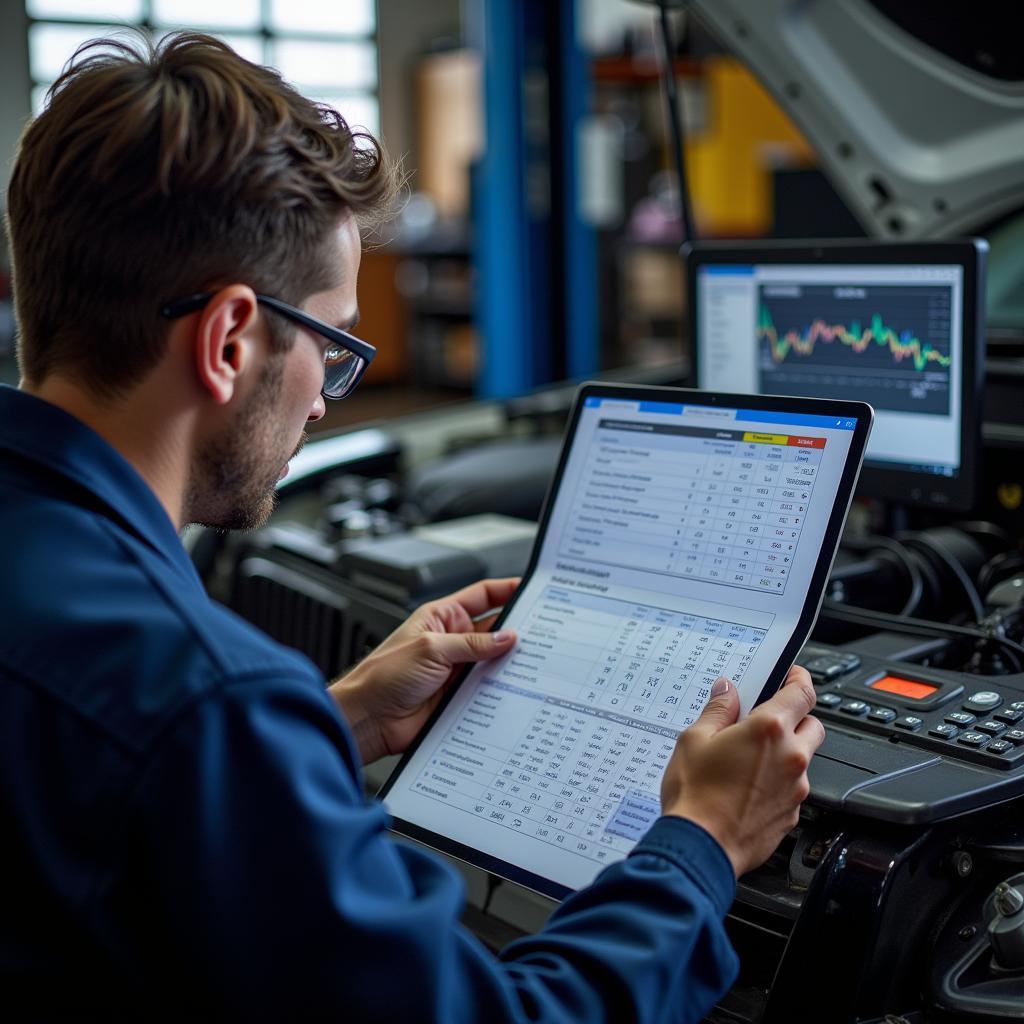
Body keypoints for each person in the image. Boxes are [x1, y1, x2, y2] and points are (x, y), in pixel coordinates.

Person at [0, 31, 825, 1021]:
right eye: (334, 344)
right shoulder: (206, 698)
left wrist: (332, 720)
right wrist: (699, 841)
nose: (323, 401)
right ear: (225, 340)